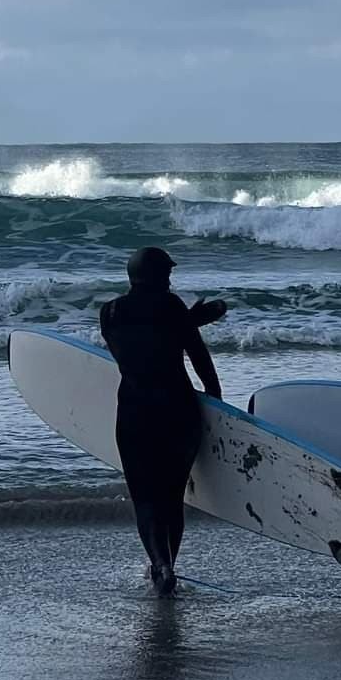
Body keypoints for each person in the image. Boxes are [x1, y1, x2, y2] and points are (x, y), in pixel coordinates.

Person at [99, 248, 225, 595]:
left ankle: (161, 566)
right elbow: (196, 354)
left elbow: (138, 345)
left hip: (135, 411)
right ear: (155, 275)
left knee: (145, 497)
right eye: (166, 274)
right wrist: (215, 397)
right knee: (172, 495)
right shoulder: (172, 308)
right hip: (178, 409)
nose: (170, 280)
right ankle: (168, 565)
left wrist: (188, 320)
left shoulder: (110, 312)